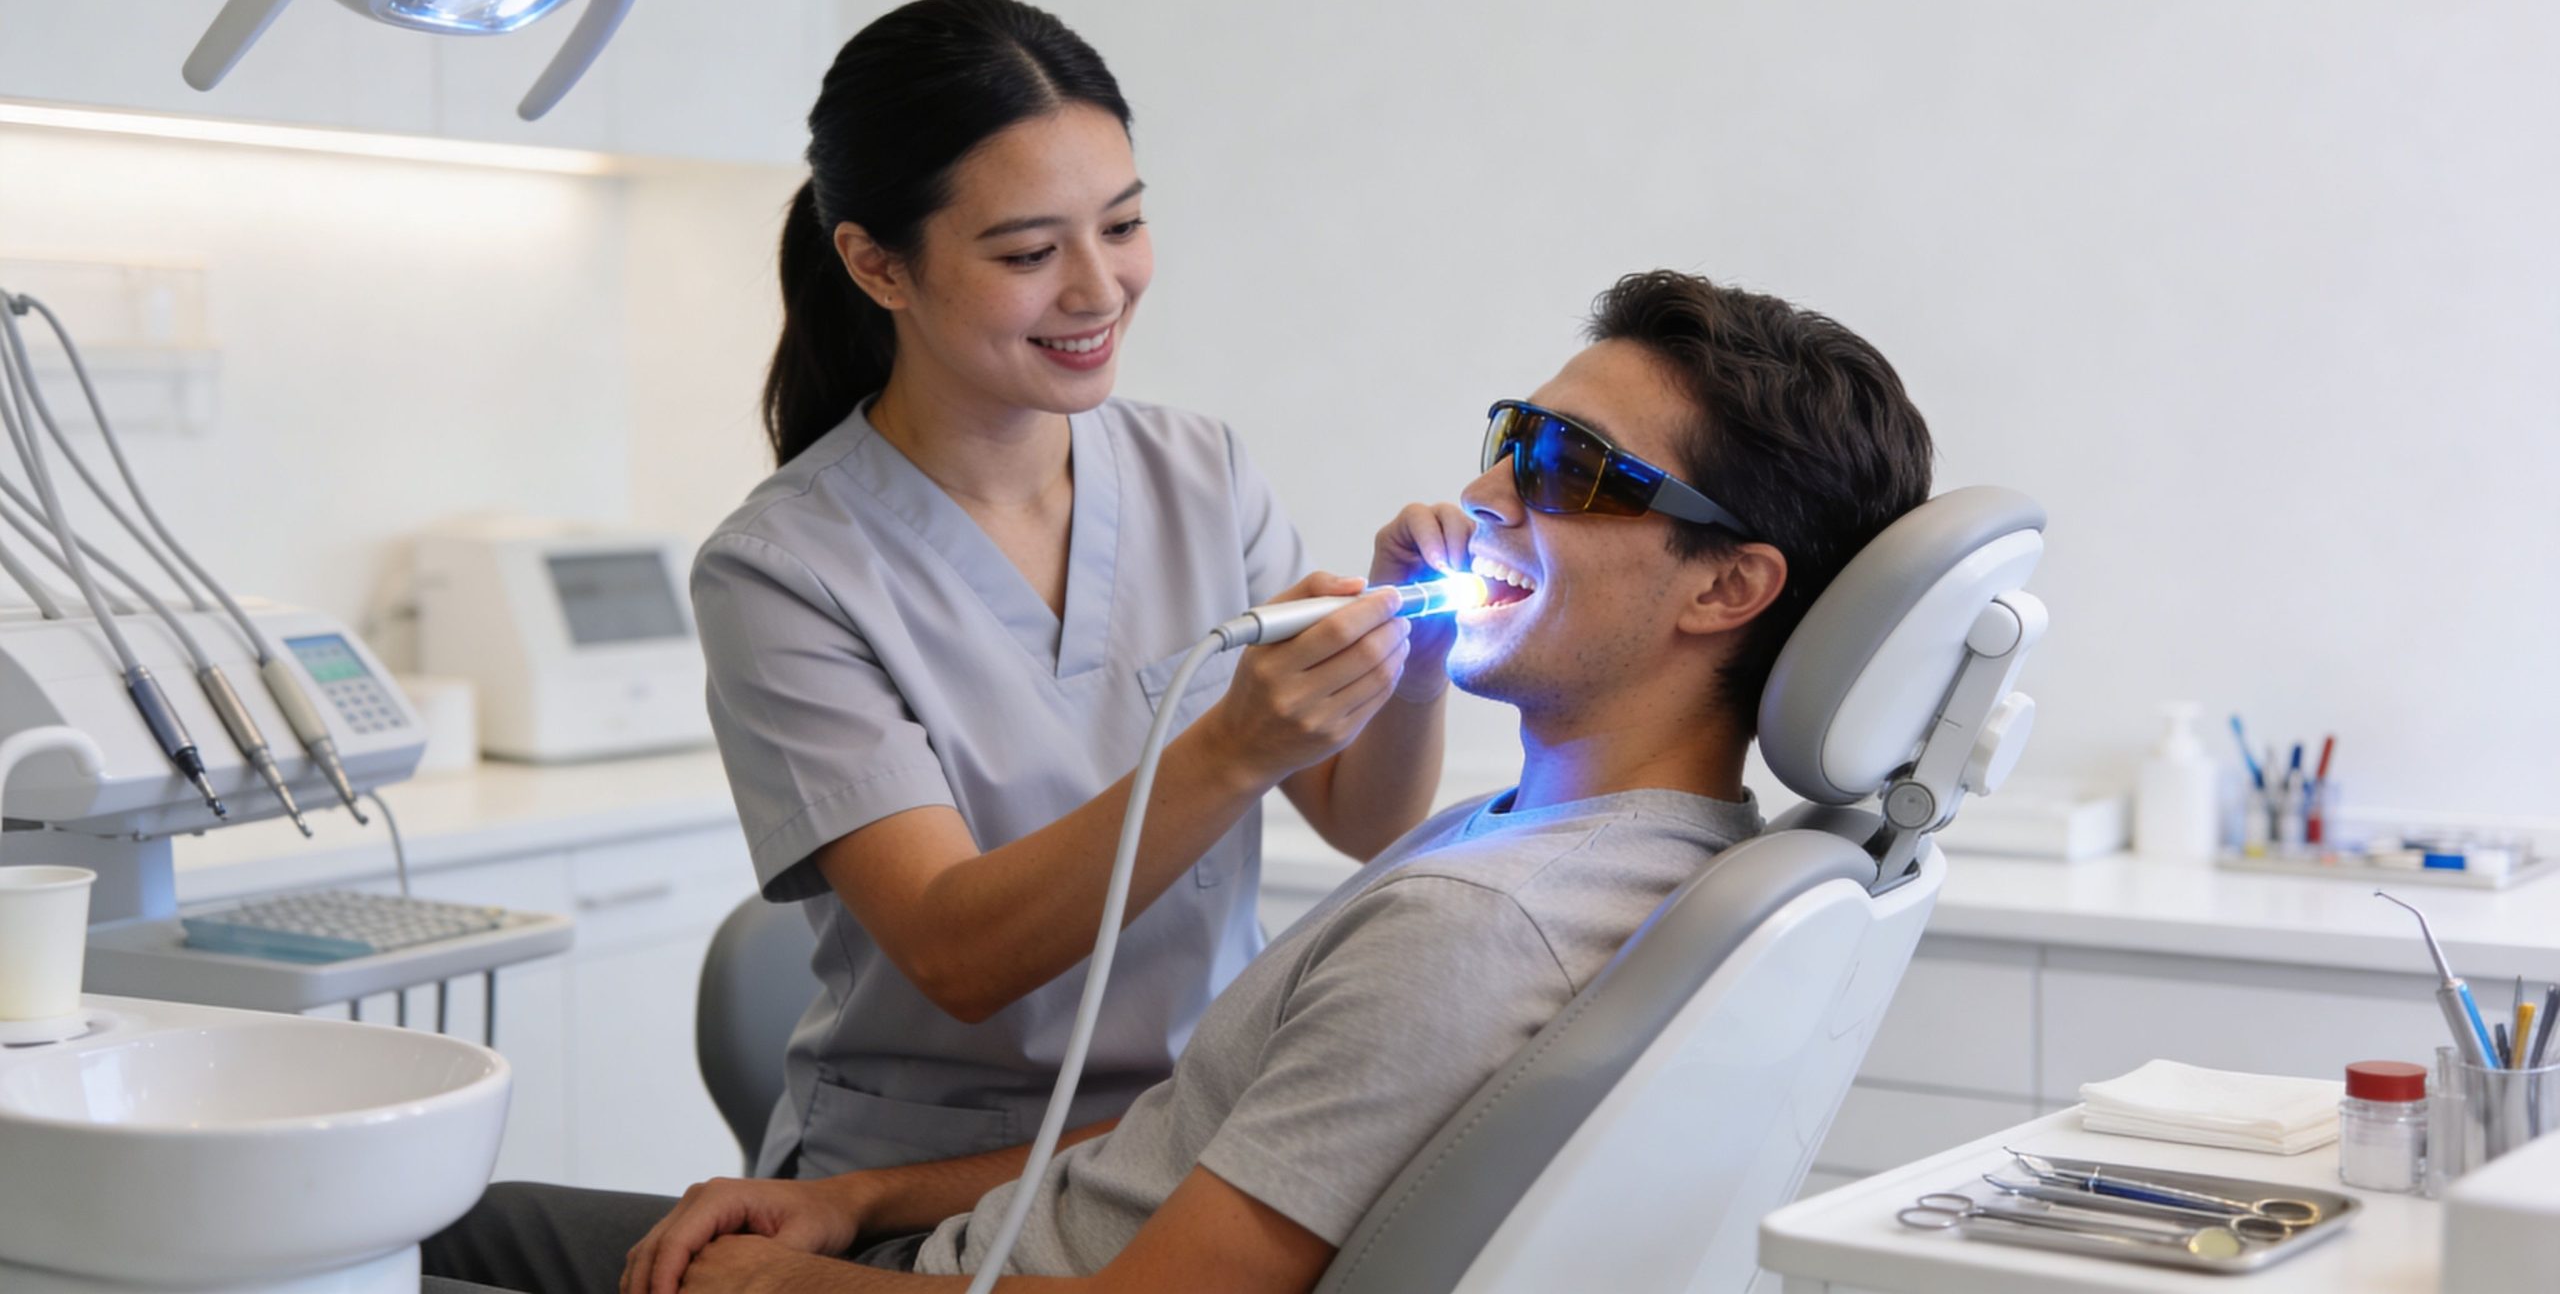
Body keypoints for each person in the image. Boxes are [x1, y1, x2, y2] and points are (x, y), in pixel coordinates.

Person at [421, 269, 1936, 1294]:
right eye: (1510, 438)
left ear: (1728, 589)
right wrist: (860, 1202)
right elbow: (1222, 1126)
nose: (1482, 495)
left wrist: (797, 1285)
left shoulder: (1485, 927)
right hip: (950, 1223)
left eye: (1567, 470)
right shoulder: (1594, 845)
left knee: (395, 1232)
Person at [687, 0, 1471, 1181]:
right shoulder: (786, 572)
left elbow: (1369, 823)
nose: (1099, 289)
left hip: (1191, 1145)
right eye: (1028, 252)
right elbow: (959, 957)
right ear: (877, 265)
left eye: (1123, 225)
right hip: (917, 1187)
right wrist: (1233, 748)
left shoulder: (1197, 472)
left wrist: (1405, 665)